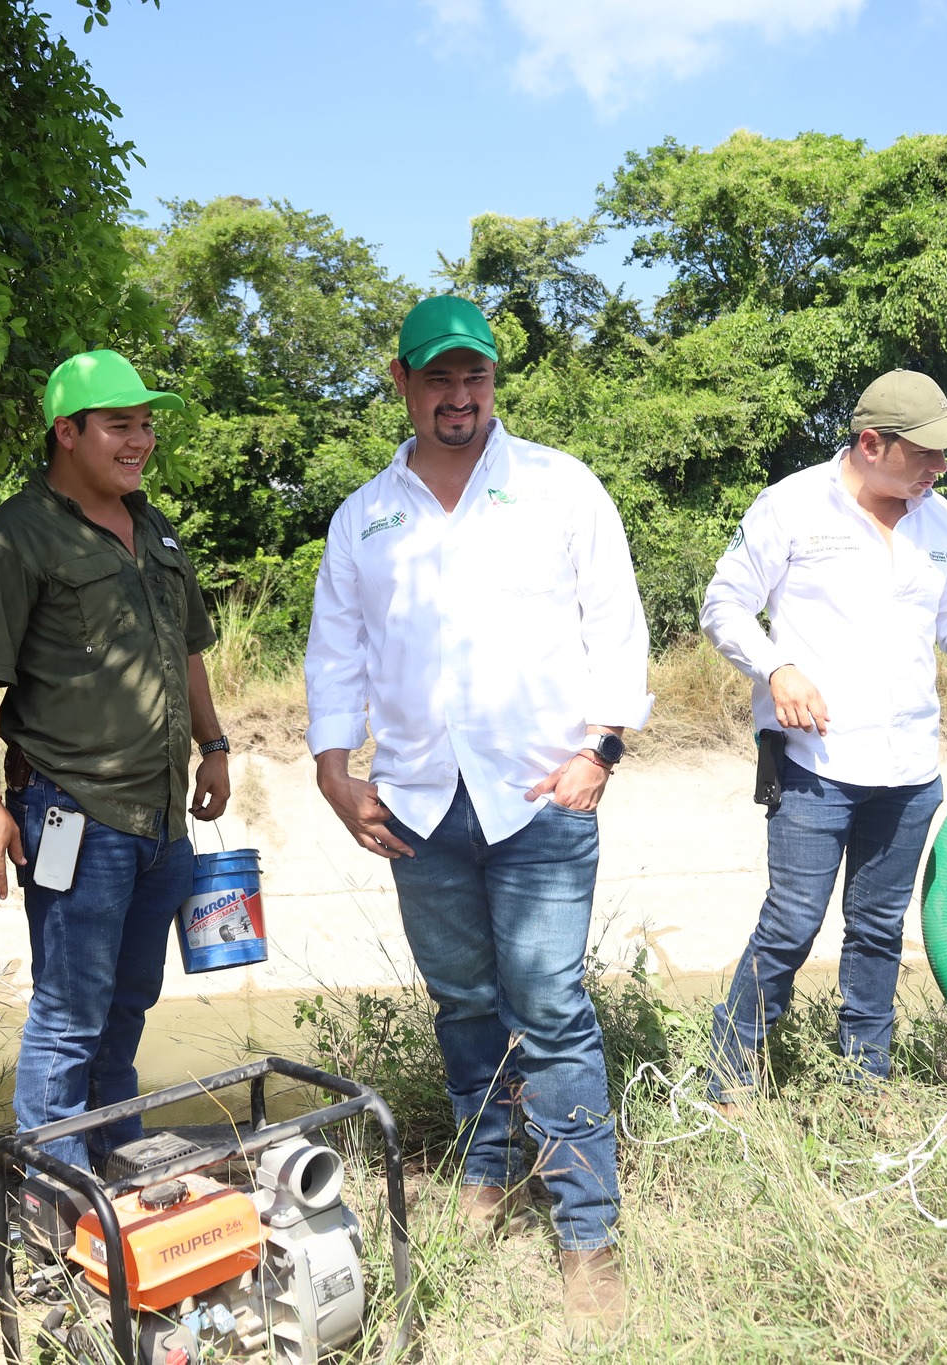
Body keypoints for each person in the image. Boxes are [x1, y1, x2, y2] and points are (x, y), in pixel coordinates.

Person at [304, 296, 651, 1337]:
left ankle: (587, 1235)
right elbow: (336, 651)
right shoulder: (365, 516)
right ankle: (487, 1171)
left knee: (548, 1005)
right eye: (438, 379)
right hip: (415, 802)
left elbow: (615, 618)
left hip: (541, 794)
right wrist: (333, 771)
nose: (458, 397)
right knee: (461, 1002)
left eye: (476, 377)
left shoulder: (557, 486)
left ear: (493, 382)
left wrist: (601, 747)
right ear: (402, 384)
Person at [700, 371, 947, 1101]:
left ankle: (866, 1084)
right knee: (790, 925)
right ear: (871, 443)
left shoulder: (943, 523)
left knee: (879, 928)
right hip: (814, 764)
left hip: (910, 769)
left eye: (944, 453)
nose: (940, 466)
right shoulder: (791, 505)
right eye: (925, 452)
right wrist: (776, 667)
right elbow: (724, 605)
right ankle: (727, 1081)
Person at [0, 349, 231, 1172]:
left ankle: (118, 1159)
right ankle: (54, 1188)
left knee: (129, 1003)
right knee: (70, 1013)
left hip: (161, 819)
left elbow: (187, 647)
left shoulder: (156, 526)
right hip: (72, 814)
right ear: (67, 433)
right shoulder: (11, 538)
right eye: (119, 425)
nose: (140, 440)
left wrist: (213, 745)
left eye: (146, 424)